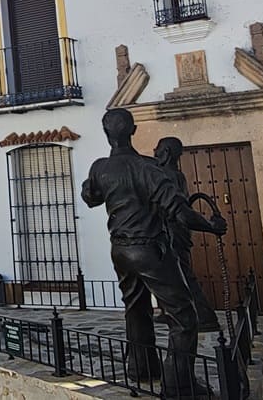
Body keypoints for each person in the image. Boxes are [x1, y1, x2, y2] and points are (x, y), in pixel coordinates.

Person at [82, 109, 226, 397]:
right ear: (133, 130)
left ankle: (141, 368)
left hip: (119, 250)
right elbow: (180, 213)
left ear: (105, 133)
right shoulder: (149, 168)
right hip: (149, 249)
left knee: (136, 308)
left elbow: (90, 197)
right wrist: (211, 227)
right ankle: (179, 385)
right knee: (184, 317)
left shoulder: (100, 168)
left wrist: (99, 186)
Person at [154, 137, 221, 332]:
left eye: (158, 149)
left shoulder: (166, 175)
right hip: (172, 229)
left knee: (182, 275)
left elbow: (175, 208)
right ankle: (171, 312)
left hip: (173, 231)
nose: (154, 152)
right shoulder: (176, 175)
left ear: (165, 153)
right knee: (171, 275)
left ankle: (205, 316)